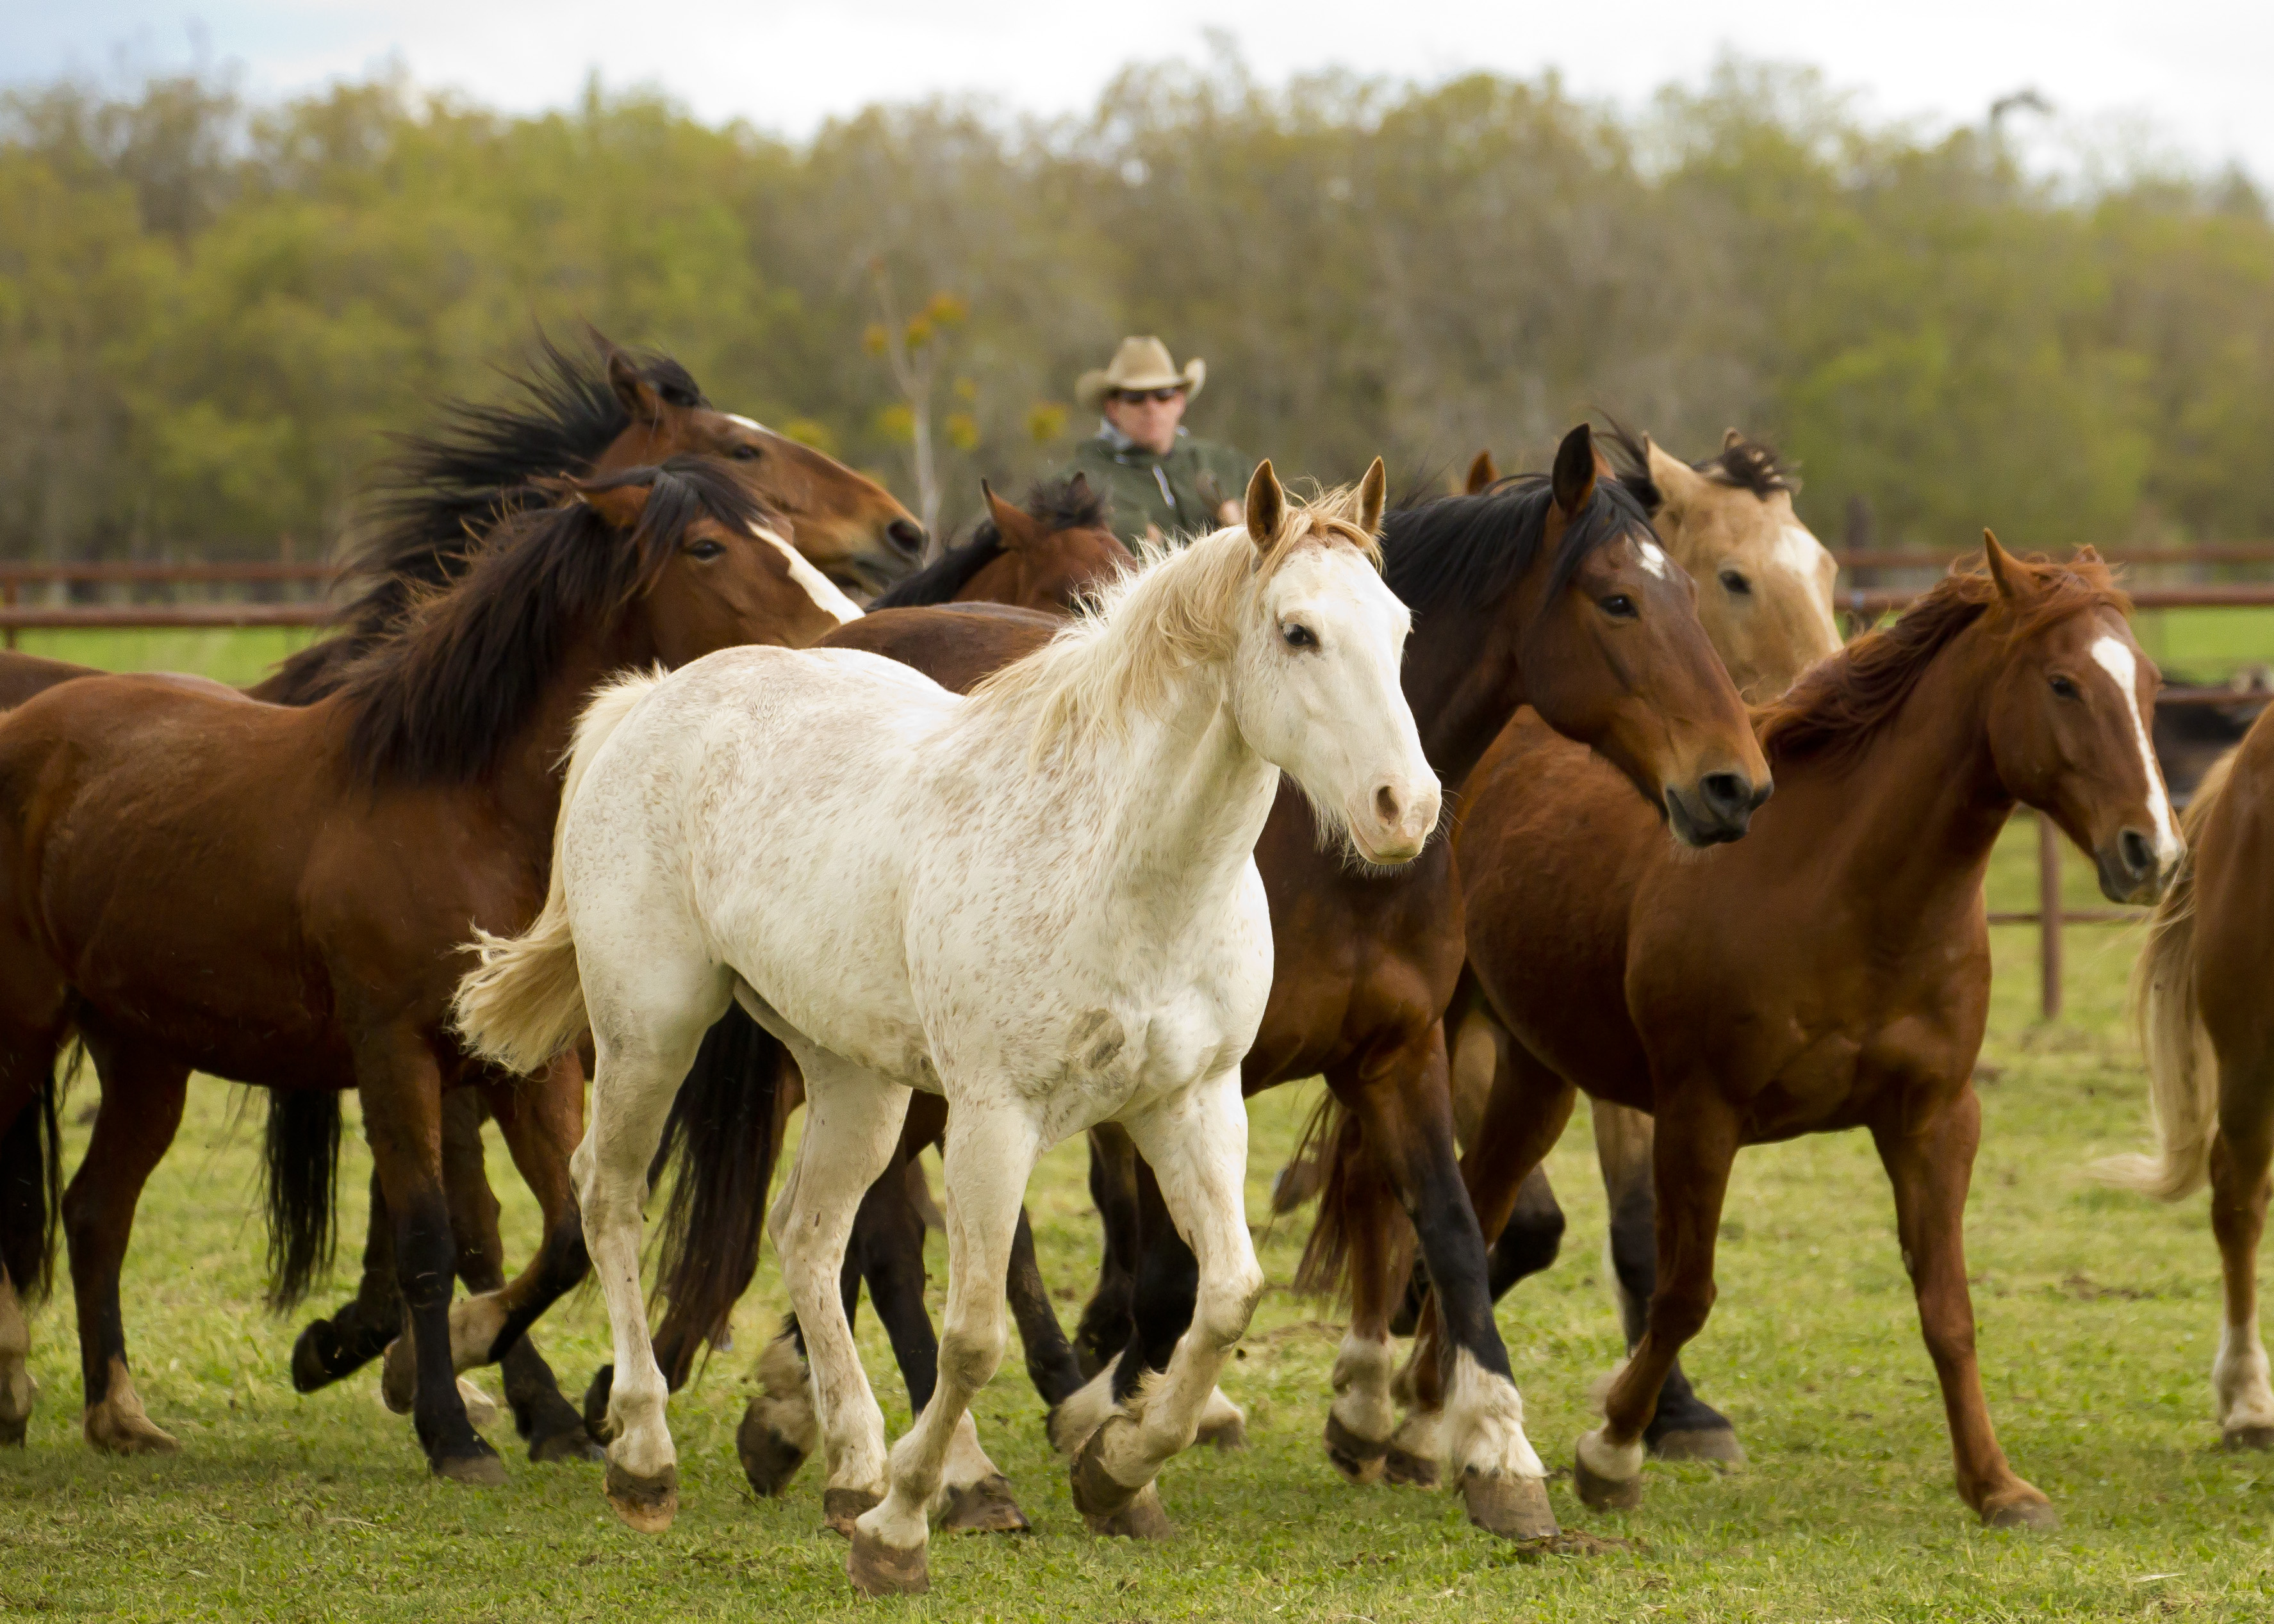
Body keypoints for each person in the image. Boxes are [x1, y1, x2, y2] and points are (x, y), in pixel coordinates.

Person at [1062, 336, 1253, 546]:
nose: (1151, 407)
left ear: (1179, 402)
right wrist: (1130, 531)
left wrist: (1244, 517)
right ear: (1113, 409)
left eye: (1163, 395)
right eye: (1136, 397)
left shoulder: (1229, 464)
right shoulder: (1078, 483)